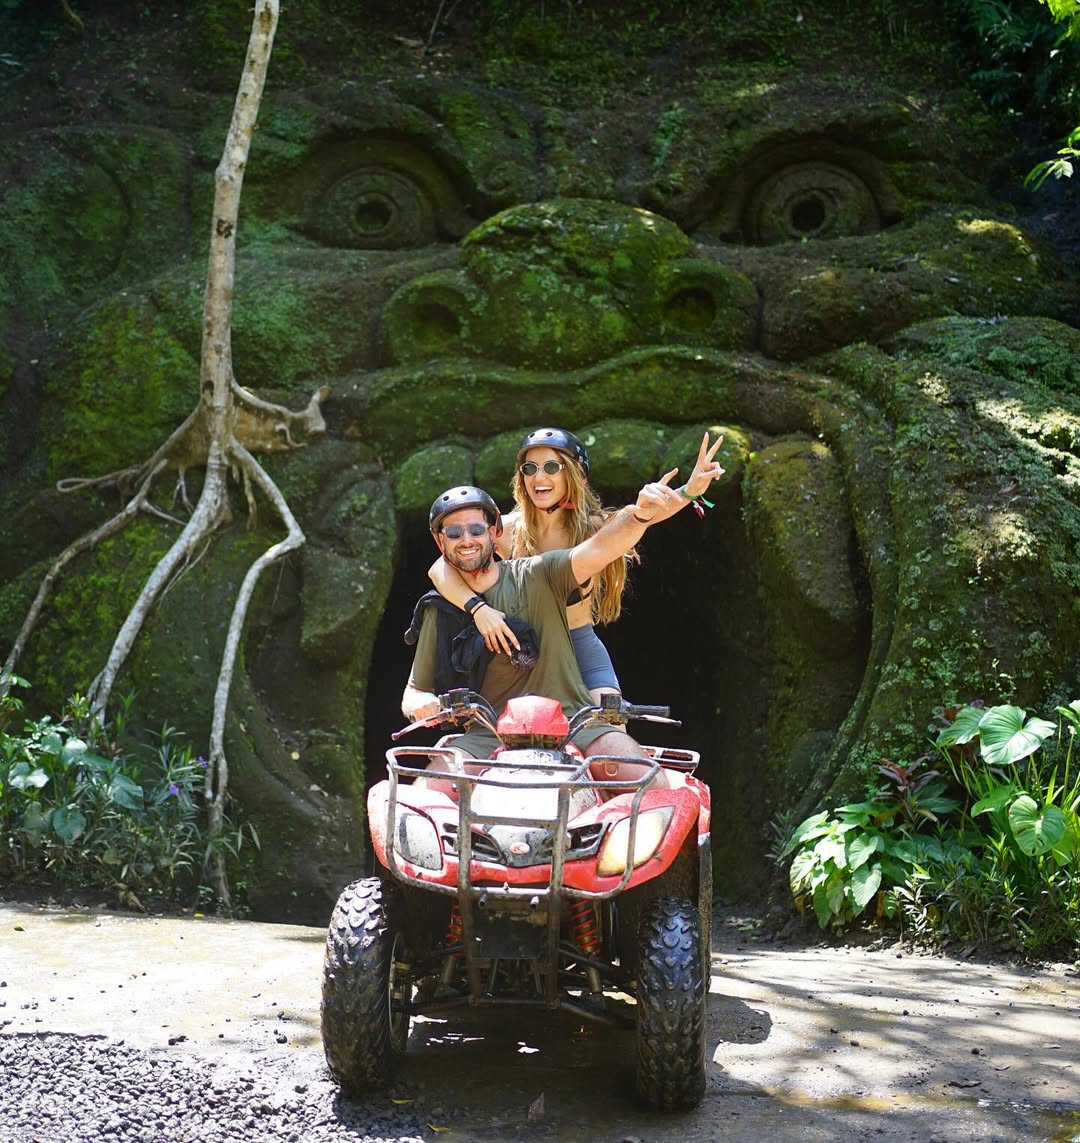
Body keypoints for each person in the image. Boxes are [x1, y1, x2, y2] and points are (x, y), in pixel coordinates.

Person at [402, 450, 724, 785]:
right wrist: (476, 609)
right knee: (420, 794)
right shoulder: (443, 606)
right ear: (439, 541)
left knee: (626, 751)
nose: (466, 540)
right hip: (489, 730)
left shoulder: (543, 570)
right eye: (454, 533)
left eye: (475, 530)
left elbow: (609, 541)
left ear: (493, 532)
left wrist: (664, 502)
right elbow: (414, 690)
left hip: (575, 672)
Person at [428, 428, 724, 702]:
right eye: (529, 468)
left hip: (580, 648)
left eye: (551, 467)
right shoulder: (505, 530)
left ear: (576, 475)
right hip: (526, 652)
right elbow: (441, 567)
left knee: (612, 723)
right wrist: (478, 609)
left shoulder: (592, 528)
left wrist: (690, 490)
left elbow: (640, 517)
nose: (538, 477)